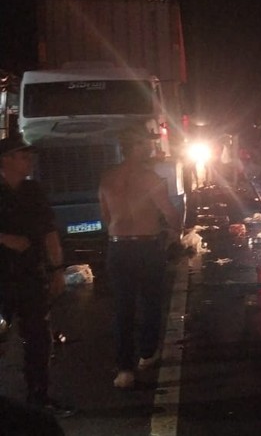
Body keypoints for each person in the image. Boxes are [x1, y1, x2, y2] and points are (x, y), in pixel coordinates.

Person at [98, 123, 182, 389]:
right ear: (135, 147)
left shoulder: (108, 178)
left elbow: (105, 216)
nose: (149, 147)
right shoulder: (150, 178)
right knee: (150, 302)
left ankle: (124, 368)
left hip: (117, 246)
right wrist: (173, 234)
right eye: (145, 144)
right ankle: (147, 353)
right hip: (146, 247)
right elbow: (169, 212)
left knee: (123, 307)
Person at [0, 134, 76, 418]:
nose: (29, 160)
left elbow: (49, 232)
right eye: (22, 155)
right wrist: (5, 238)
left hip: (31, 276)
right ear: (5, 160)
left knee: (39, 339)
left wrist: (58, 271)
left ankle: (38, 397)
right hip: (2, 279)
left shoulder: (33, 191)